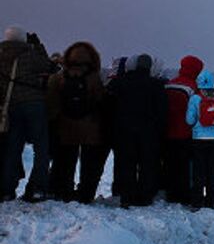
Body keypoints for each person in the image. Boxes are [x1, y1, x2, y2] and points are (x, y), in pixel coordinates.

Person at [46, 42, 108, 203]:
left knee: (65, 161)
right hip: (90, 128)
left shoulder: (58, 77)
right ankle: (85, 195)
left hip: (65, 126)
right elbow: (101, 101)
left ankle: (63, 191)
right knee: (89, 165)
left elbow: (52, 104)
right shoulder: (95, 78)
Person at [0, 27, 52, 202]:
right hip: (34, 105)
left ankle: (6, 189)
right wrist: (38, 46)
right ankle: (38, 188)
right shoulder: (30, 55)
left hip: (11, 107)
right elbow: (48, 65)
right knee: (41, 148)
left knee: (13, 149)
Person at [108, 54, 167, 207]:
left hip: (124, 130)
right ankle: (145, 196)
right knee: (147, 164)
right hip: (149, 132)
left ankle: (126, 195)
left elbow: (110, 104)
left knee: (127, 163)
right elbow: (162, 111)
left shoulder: (120, 82)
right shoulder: (156, 85)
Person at [185, 70, 214, 208]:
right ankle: (213, 201)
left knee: (199, 170)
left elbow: (189, 120)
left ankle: (197, 201)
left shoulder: (195, 98)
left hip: (199, 139)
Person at [163, 55, 204, 204]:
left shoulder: (169, 84)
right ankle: (184, 195)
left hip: (167, 132)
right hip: (186, 133)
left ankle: (170, 192)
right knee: (185, 167)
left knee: (170, 165)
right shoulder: (193, 88)